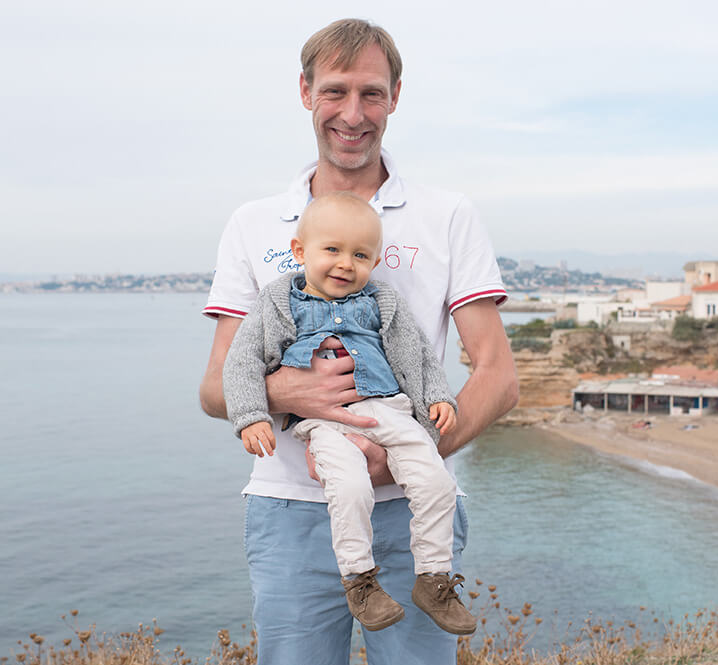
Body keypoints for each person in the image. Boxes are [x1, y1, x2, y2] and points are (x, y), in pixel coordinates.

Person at [198, 18, 518, 665]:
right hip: (290, 511)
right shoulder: (254, 222)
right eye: (336, 91)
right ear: (305, 91)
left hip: (411, 513)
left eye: (371, 93)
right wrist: (289, 390)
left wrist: (408, 451)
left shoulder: (446, 214)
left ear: (396, 96)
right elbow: (215, 386)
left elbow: (497, 374)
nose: (353, 113)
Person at [222, 193, 475, 635]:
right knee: (351, 487)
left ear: (375, 262)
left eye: (360, 255)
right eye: (332, 250)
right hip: (325, 422)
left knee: (437, 480)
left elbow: (417, 355)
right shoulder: (277, 301)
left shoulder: (383, 302)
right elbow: (240, 362)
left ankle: (434, 578)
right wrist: (252, 414)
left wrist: (438, 397)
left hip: (390, 409)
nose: (345, 264)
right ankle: (359, 580)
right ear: (300, 251)